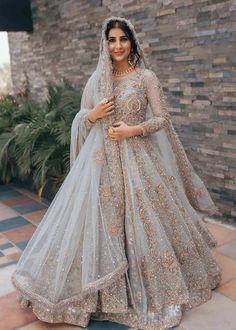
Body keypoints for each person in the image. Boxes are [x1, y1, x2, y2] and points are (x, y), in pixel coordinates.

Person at [11, 16, 222, 330]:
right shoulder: (97, 80)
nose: (118, 45)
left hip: (139, 159)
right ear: (105, 44)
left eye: (123, 39)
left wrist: (134, 129)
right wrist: (92, 114)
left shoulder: (146, 77)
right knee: (102, 223)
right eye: (112, 40)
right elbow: (82, 118)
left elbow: (163, 120)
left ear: (132, 42)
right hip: (100, 163)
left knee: (145, 222)